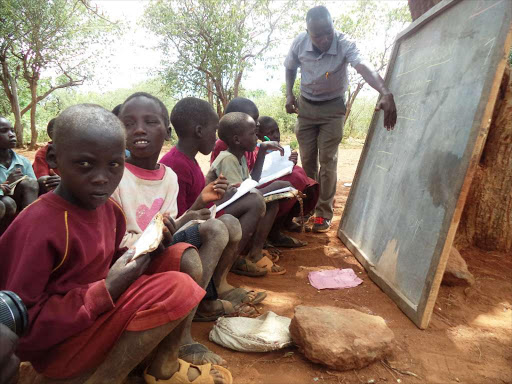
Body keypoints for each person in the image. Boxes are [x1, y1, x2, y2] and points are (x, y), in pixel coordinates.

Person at [0, 104, 231, 384]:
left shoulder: (110, 210)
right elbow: (20, 328)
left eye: (114, 164)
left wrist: (150, 247)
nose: (101, 177)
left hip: (95, 318)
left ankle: (157, 363)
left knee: (181, 256)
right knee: (177, 288)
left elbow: (108, 263)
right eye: (85, 163)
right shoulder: (37, 225)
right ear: (54, 158)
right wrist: (106, 288)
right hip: (58, 348)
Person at [114, 92, 258, 366]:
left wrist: (194, 209)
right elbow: (124, 239)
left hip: (158, 245)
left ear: (167, 132)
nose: (140, 129)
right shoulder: (115, 176)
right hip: (126, 257)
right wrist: (191, 214)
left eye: (149, 122)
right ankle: (182, 334)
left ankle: (207, 298)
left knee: (221, 225)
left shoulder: (167, 176)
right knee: (214, 231)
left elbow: (169, 224)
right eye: (129, 123)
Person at [285, 5, 397, 232]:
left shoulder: (345, 43)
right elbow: (290, 67)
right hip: (306, 108)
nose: (325, 38)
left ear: (332, 26)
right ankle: (306, 209)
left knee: (328, 161)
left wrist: (384, 91)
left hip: (333, 109)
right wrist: (289, 94)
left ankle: (323, 213)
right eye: (318, 35)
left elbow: (363, 67)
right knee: (307, 162)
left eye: (329, 31)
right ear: (308, 33)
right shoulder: (299, 42)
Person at [160, 97, 274, 280]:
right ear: (199, 131)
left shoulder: (188, 160)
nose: (217, 137)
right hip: (186, 231)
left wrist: (215, 194)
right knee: (253, 202)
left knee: (253, 201)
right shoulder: (176, 165)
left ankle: (221, 276)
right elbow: (179, 218)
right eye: (214, 130)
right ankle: (219, 277)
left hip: (201, 218)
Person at [211, 97, 308, 246]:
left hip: (242, 193)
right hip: (226, 205)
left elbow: (251, 179)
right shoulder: (227, 154)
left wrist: (264, 151)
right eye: (252, 122)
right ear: (235, 134)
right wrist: (270, 187)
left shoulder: (241, 150)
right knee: (281, 187)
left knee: (292, 178)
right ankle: (252, 249)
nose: (257, 125)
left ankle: (270, 235)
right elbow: (236, 193)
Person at [207, 112, 289, 275]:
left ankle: (254, 253)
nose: (257, 138)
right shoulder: (228, 159)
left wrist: (263, 150)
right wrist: (273, 187)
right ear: (237, 139)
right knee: (263, 197)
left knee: (272, 202)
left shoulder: (240, 156)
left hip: (231, 205)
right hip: (216, 212)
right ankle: (230, 261)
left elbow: (252, 181)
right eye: (252, 134)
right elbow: (240, 194)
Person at [257, 115, 320, 234]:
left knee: (309, 185)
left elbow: (285, 169)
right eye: (271, 132)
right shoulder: (258, 150)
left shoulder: (282, 149)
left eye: (277, 130)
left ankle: (287, 221)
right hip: (267, 187)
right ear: (259, 136)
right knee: (293, 183)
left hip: (280, 180)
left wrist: (291, 162)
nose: (276, 135)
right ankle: (275, 229)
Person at [0, 116, 38, 233]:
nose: (11, 134)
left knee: (33, 183)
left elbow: (33, 187)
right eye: (3, 131)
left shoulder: (23, 162)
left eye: (12, 130)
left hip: (19, 200)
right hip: (4, 204)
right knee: (7, 203)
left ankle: (30, 229)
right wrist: (6, 185)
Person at [32, 118, 61, 194]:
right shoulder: (42, 154)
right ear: (52, 134)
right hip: (53, 191)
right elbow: (43, 179)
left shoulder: (75, 150)